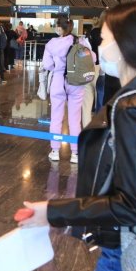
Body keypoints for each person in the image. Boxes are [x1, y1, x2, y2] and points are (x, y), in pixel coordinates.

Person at [16, 1, 136, 271]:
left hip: (127, 252)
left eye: (105, 38)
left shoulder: (132, 108)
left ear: (126, 45)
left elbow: (134, 205)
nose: (99, 46)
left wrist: (54, 211)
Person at [42, 16, 93, 164]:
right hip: (76, 82)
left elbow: (47, 65)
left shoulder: (52, 44)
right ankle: (75, 153)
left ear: (59, 27)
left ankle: (55, 151)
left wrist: (58, 68)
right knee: (75, 119)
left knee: (56, 117)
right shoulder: (81, 41)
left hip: (58, 81)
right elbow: (92, 58)